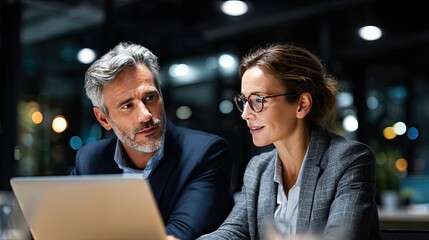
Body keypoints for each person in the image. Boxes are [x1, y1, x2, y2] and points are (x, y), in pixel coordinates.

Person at [196, 43, 380, 240]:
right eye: (243, 101)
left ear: (302, 104)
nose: (245, 114)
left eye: (258, 100)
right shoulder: (259, 169)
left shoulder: (350, 160)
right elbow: (233, 232)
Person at [70, 42, 234, 240]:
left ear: (161, 97)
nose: (146, 115)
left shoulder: (206, 153)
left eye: (149, 98)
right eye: (127, 106)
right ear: (104, 119)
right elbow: (70, 224)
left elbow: (182, 233)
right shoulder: (89, 159)